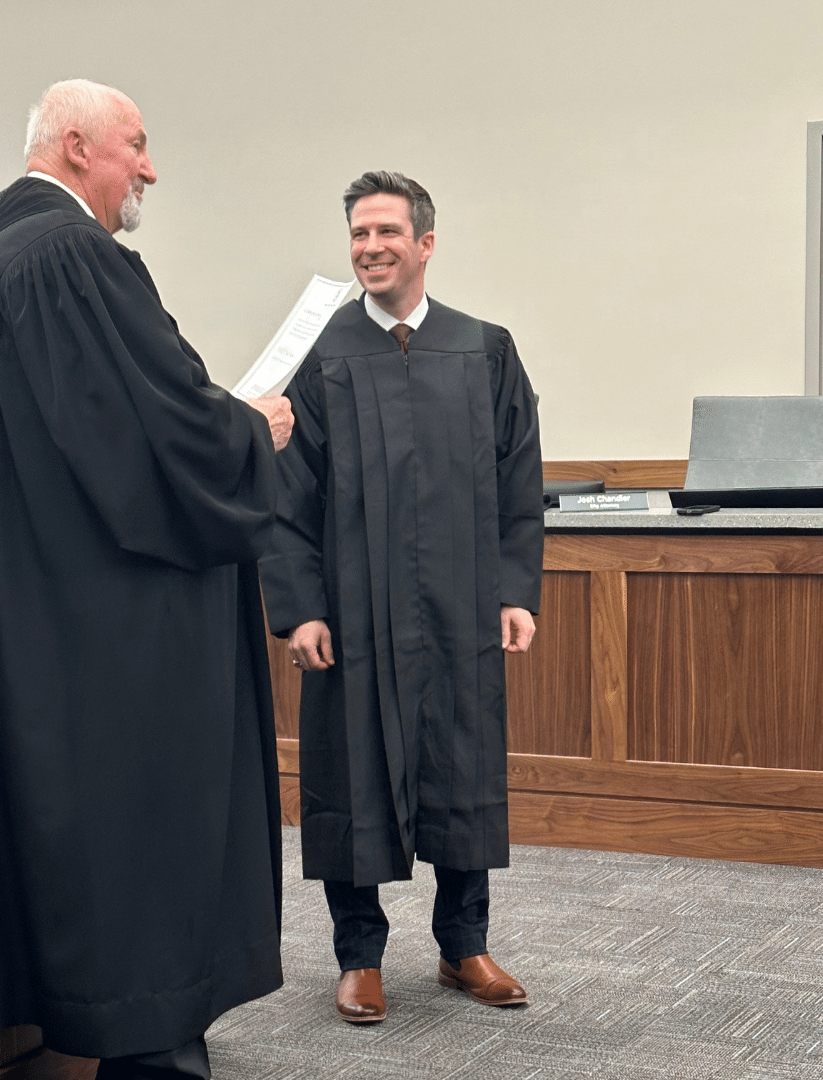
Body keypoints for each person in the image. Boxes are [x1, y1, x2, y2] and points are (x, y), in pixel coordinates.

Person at [0, 79, 294, 1080]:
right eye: (134, 146)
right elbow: (158, 441)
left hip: (49, 606)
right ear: (71, 144)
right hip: (123, 622)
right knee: (147, 839)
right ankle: (151, 1051)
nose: (149, 168)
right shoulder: (69, 256)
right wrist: (250, 430)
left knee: (95, 844)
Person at [259, 171, 543, 1023]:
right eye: (357, 234)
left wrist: (514, 589)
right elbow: (287, 494)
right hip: (353, 613)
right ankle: (359, 956)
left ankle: (465, 945)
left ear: (424, 243)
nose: (369, 247)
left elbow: (517, 477)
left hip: (460, 607)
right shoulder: (323, 358)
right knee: (351, 769)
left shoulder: (483, 348)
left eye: (385, 232)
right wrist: (301, 605)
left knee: (462, 764)